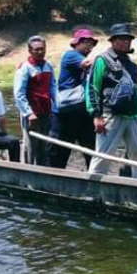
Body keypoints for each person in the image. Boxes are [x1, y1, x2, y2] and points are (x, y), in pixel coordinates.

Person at [85, 23, 137, 179]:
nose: (126, 42)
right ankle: (93, 188)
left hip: (133, 116)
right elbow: (93, 88)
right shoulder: (102, 60)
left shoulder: (132, 66)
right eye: (121, 39)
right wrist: (96, 115)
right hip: (110, 115)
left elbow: (134, 92)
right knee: (103, 155)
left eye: (128, 39)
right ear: (113, 41)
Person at [49, 28, 99, 169]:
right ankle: (55, 179)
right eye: (86, 43)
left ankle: (94, 179)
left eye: (91, 44)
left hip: (82, 112)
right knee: (59, 151)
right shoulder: (71, 55)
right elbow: (87, 64)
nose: (89, 47)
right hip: (65, 113)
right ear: (77, 44)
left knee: (91, 148)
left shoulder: (84, 57)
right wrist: (107, 56)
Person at [14, 35, 58, 165]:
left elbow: (53, 87)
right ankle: (28, 173)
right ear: (30, 51)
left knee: (44, 144)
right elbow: (18, 93)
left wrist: (56, 106)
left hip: (46, 111)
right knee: (30, 146)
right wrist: (29, 113)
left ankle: (43, 173)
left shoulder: (48, 66)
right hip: (32, 114)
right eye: (37, 49)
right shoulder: (25, 68)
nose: (40, 52)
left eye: (42, 49)